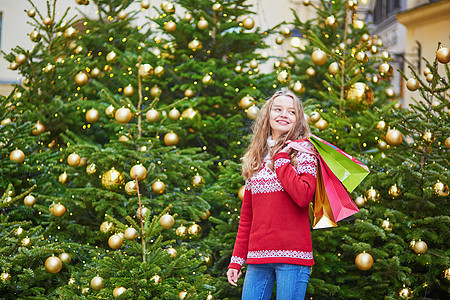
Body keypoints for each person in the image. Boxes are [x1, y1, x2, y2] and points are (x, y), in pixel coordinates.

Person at [226, 89, 318, 299]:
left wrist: (282, 160)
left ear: (298, 119)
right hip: (258, 256)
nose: (283, 114)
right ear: (268, 115)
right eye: (278, 109)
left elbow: (304, 197)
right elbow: (247, 216)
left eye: (291, 111)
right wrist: (237, 259)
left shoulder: (305, 153)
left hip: (293, 256)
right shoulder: (256, 158)